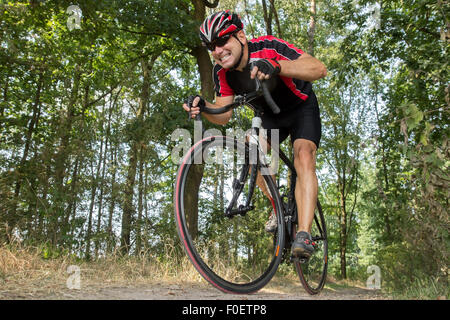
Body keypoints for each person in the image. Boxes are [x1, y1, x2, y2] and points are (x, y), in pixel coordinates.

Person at [182, 10, 327, 259]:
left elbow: (318, 68)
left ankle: (304, 234)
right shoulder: (222, 72)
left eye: (221, 41)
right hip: (270, 116)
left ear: (241, 35)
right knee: (251, 152)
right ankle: (278, 208)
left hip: (301, 107)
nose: (217, 51)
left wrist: (278, 66)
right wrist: (203, 106)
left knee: (303, 155)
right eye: (211, 46)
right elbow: (223, 114)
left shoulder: (269, 47)